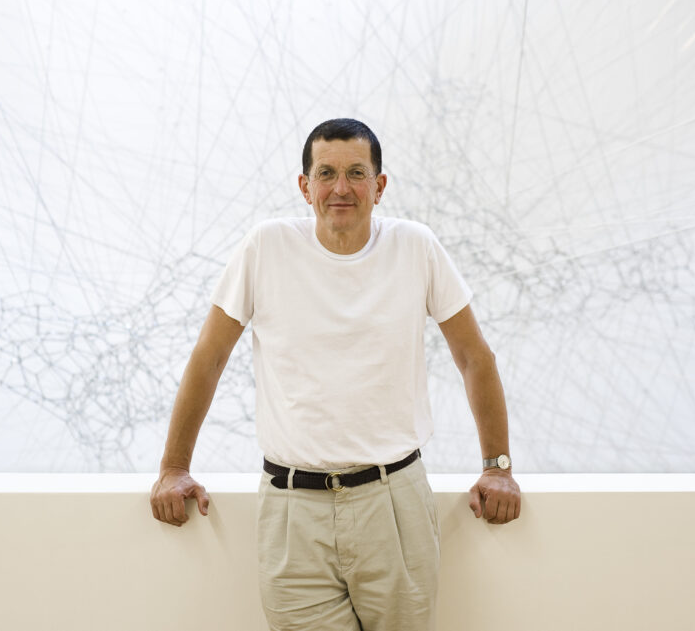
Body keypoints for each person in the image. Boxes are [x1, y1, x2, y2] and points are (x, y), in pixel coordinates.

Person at [150, 118, 521, 630]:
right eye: (326, 173)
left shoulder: (416, 247)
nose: (340, 188)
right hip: (291, 511)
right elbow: (210, 357)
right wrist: (174, 467)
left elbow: (474, 356)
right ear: (305, 186)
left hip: (394, 503)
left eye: (356, 173)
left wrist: (497, 467)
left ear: (379, 185)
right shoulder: (265, 247)